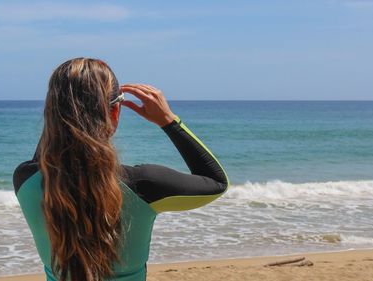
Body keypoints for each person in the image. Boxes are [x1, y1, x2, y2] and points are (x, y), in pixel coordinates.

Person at [13, 57, 230, 281]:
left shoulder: (26, 180)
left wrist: (64, 106)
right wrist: (168, 120)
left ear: (52, 112)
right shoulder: (145, 185)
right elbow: (216, 182)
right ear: (115, 112)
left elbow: (45, 155)